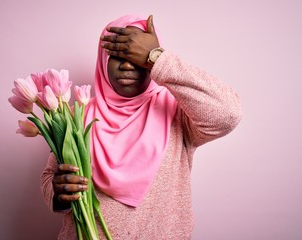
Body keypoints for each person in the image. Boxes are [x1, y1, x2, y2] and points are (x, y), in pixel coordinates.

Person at [40, 14, 242, 239]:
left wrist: (157, 57)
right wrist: (59, 192)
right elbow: (50, 177)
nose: (127, 64)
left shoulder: (177, 112)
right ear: (103, 60)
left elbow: (228, 114)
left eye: (137, 56)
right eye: (117, 56)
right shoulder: (79, 113)